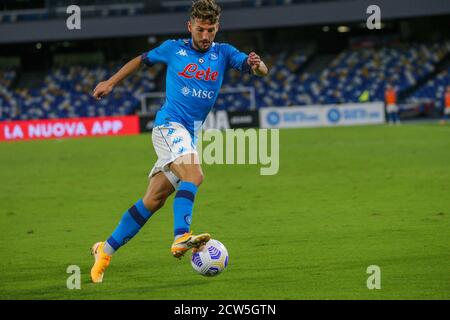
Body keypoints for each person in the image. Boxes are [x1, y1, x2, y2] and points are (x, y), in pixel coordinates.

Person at [89, 0, 268, 283]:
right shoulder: (173, 48)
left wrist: (257, 65)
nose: (206, 36)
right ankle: (181, 236)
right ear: (190, 27)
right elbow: (140, 59)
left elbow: (258, 70)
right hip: (168, 127)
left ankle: (104, 250)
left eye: (211, 30)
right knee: (194, 174)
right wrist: (111, 82)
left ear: (217, 27)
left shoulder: (223, 53)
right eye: (200, 30)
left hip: (189, 134)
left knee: (154, 199)